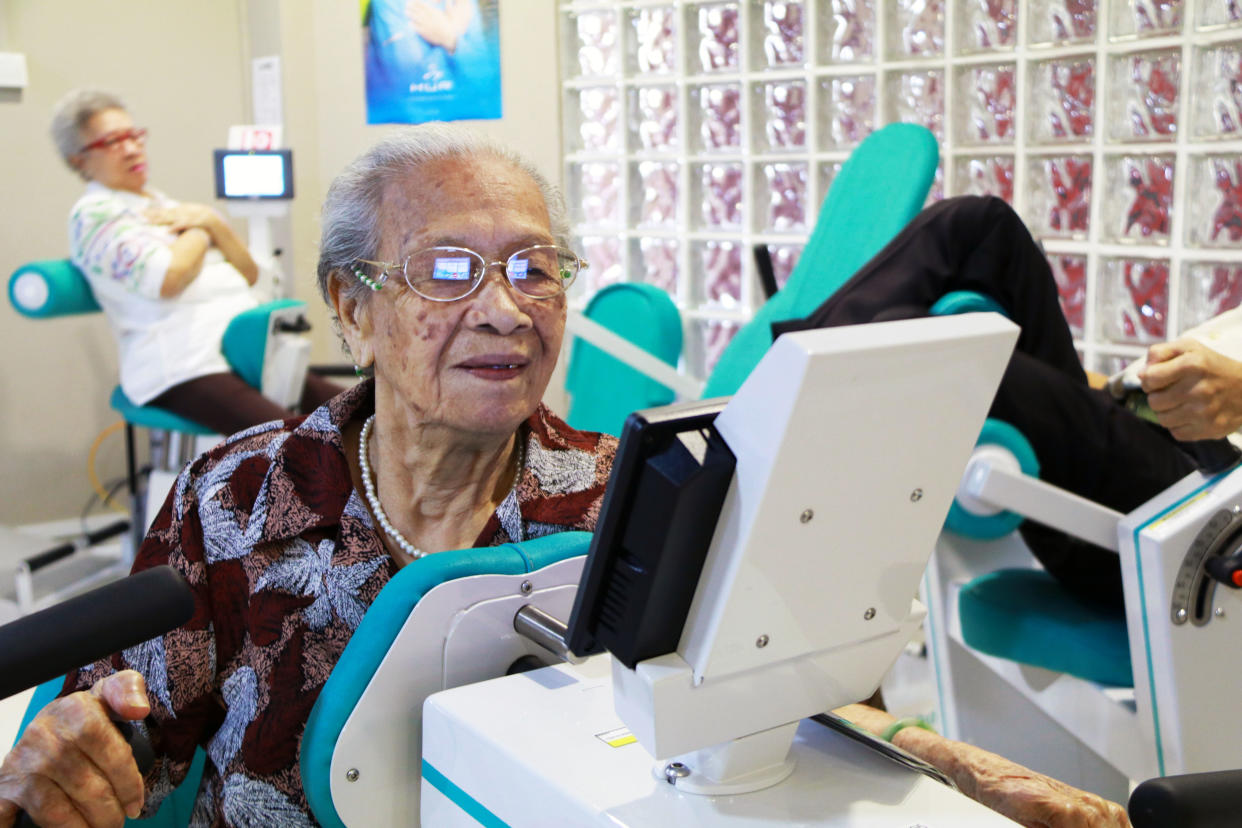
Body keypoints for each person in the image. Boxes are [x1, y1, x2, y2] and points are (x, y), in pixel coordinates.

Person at [0, 130, 1127, 828]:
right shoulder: (238, 496)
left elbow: (796, 707)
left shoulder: (634, 501)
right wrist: (68, 767)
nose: (506, 305)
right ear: (353, 306)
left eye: (538, 267)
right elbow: (127, 736)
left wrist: (961, 772)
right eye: (451, 270)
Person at [774, 194, 1242, 610]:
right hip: (1149, 429)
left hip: (1208, 511)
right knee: (980, 226)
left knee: (936, 356)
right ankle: (782, 392)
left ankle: (780, 439)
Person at [50, 89, 340, 435]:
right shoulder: (96, 215)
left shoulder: (162, 204)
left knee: (364, 411)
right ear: (78, 160)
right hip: (183, 366)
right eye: (111, 142)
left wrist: (211, 222)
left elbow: (250, 275)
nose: (131, 148)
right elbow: (168, 278)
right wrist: (205, 228)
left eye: (133, 135)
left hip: (243, 355)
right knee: (300, 442)